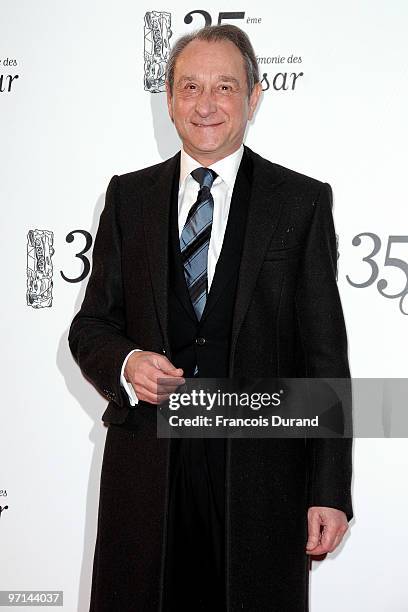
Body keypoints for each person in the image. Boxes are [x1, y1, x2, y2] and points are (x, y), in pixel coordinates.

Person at [68, 24, 353, 612]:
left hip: (261, 479)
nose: (206, 104)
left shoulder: (300, 201)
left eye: (224, 86)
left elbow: (323, 356)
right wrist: (126, 361)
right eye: (190, 86)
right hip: (149, 475)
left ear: (253, 97)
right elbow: (91, 325)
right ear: (168, 99)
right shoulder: (129, 198)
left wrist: (329, 490)